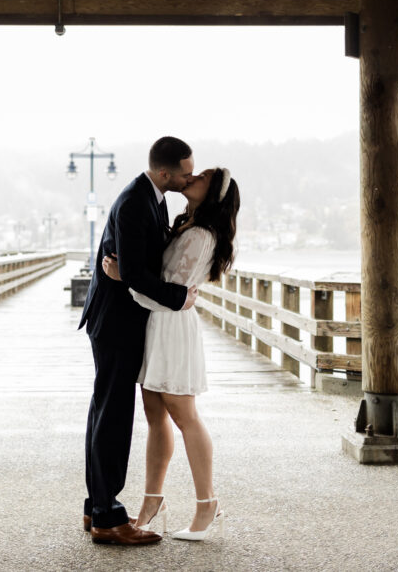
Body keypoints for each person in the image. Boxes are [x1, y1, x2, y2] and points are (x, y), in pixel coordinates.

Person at [102, 166, 241, 542]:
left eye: (203, 177)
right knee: (154, 415)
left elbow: (169, 293)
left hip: (172, 325)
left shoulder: (200, 235)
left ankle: (207, 505)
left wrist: (122, 278)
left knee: (184, 414)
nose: (193, 177)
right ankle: (153, 501)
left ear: (212, 194)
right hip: (157, 324)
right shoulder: (186, 224)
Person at [78, 136, 199, 546]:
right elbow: (136, 274)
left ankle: (97, 505)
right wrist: (181, 298)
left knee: (105, 410)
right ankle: (108, 518)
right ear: (165, 173)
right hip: (115, 323)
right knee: (112, 415)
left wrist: (127, 274)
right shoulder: (134, 201)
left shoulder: (153, 197)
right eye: (185, 173)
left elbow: (134, 267)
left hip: (118, 319)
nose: (189, 178)